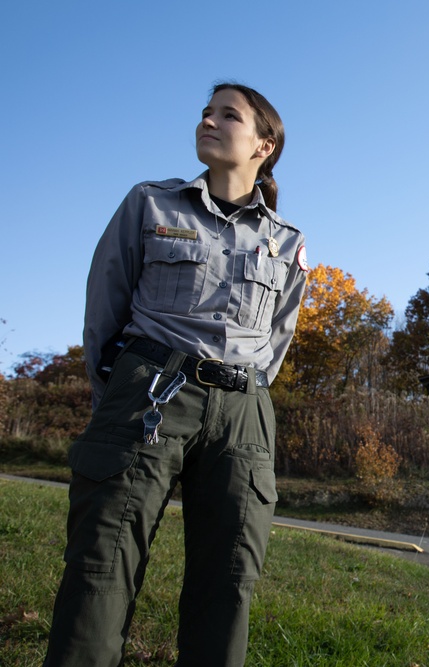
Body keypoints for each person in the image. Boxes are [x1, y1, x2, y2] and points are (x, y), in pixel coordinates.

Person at [44, 82, 309, 666]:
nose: (208, 121)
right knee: (101, 564)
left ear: (264, 145)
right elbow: (104, 308)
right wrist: (118, 391)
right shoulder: (150, 202)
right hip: (151, 389)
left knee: (229, 578)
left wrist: (245, 395)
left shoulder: (287, 241)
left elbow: (277, 340)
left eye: (227, 115)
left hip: (243, 414)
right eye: (206, 113)